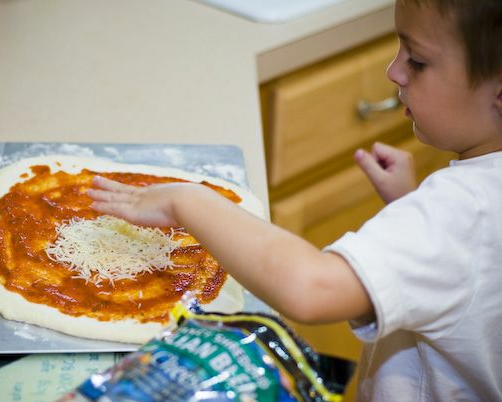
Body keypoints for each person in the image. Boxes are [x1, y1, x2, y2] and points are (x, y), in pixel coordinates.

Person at [88, 0, 502, 399]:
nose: (393, 71)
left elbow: (312, 287)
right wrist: (409, 207)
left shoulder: (462, 211)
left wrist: (190, 202)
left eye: (417, 60)